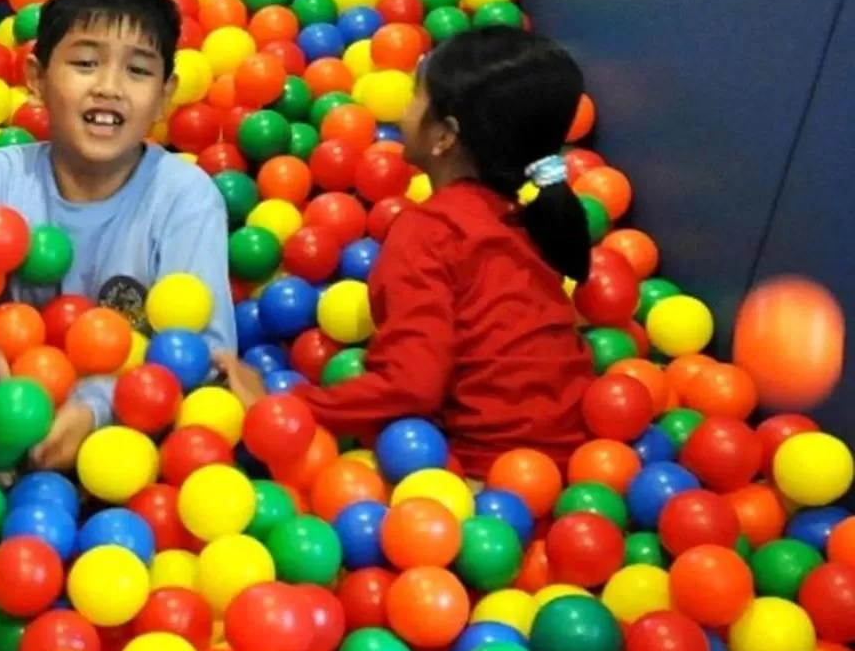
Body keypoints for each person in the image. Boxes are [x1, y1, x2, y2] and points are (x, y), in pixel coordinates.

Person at [217, 25, 593, 476]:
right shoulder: (531, 219)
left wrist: (283, 404)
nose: (402, 108)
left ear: (444, 136)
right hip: (580, 471)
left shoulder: (429, 231)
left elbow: (412, 384)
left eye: (416, 96)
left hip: (479, 482)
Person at [0, 0, 235, 471]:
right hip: (1, 421)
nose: (109, 88)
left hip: (133, 450)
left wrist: (97, 408)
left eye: (138, 71)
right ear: (36, 79)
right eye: (84, 63)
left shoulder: (185, 198)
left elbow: (201, 356)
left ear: (165, 95)